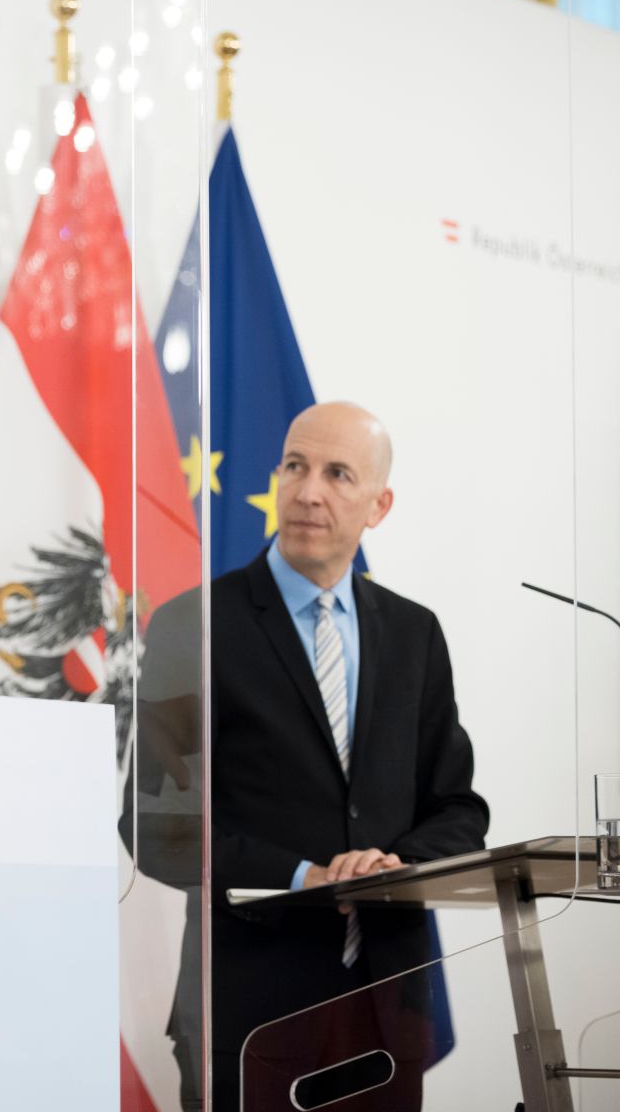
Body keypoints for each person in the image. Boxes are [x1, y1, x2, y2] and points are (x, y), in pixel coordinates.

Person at [128, 402, 488, 1111]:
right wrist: (307, 877)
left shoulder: (415, 635)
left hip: (387, 1008)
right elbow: (154, 825)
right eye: (295, 466)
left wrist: (395, 866)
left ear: (378, 506)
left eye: (337, 473)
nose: (308, 490)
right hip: (249, 1012)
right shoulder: (192, 626)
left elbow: (457, 808)